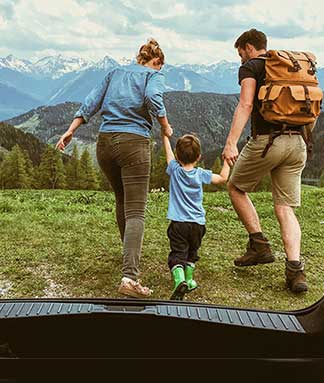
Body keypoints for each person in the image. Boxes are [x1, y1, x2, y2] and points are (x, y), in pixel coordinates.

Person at [56, 39, 173, 298]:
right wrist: (165, 126)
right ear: (157, 62)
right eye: (160, 68)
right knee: (136, 211)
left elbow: (90, 102)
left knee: (122, 200)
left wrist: (70, 130)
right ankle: (129, 278)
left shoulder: (114, 73)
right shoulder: (154, 75)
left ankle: (127, 253)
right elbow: (153, 98)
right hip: (133, 143)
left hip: (105, 143)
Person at [222, 29, 310, 293]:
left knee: (236, 187)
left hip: (267, 142)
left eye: (240, 53)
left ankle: (259, 245)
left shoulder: (251, 68)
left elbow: (246, 105)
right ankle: (296, 271)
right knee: (285, 208)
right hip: (297, 142)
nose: (240, 59)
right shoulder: (288, 67)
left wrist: (230, 143)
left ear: (249, 47)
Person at [162, 133, 230, 300]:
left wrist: (165, 136)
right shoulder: (201, 174)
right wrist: (228, 161)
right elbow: (222, 178)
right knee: (192, 252)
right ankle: (190, 280)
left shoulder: (174, 170)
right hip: (198, 224)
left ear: (178, 156)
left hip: (179, 223)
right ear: (199, 157)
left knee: (178, 253)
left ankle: (179, 281)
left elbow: (168, 155)